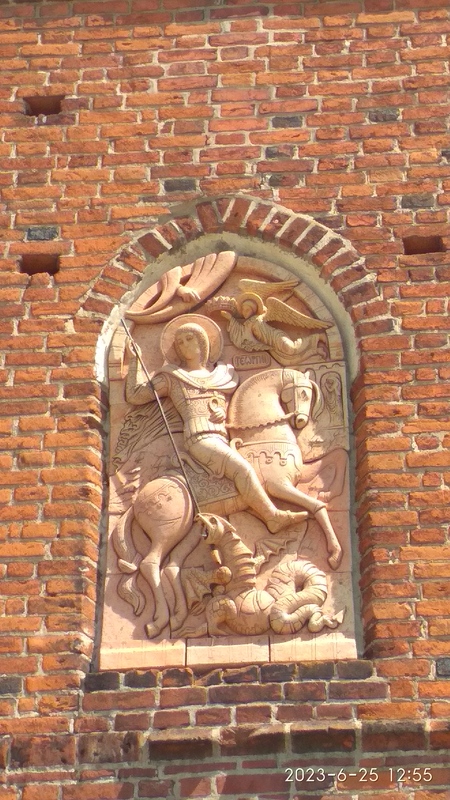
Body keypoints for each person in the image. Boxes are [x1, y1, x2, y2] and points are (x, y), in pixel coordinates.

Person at [126, 319, 308, 534]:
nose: (184, 345)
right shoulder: (172, 377)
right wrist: (134, 361)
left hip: (222, 438)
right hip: (199, 438)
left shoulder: (223, 376)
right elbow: (135, 395)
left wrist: (221, 412)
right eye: (180, 342)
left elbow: (224, 406)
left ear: (203, 342)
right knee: (242, 469)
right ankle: (272, 516)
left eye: (189, 338)